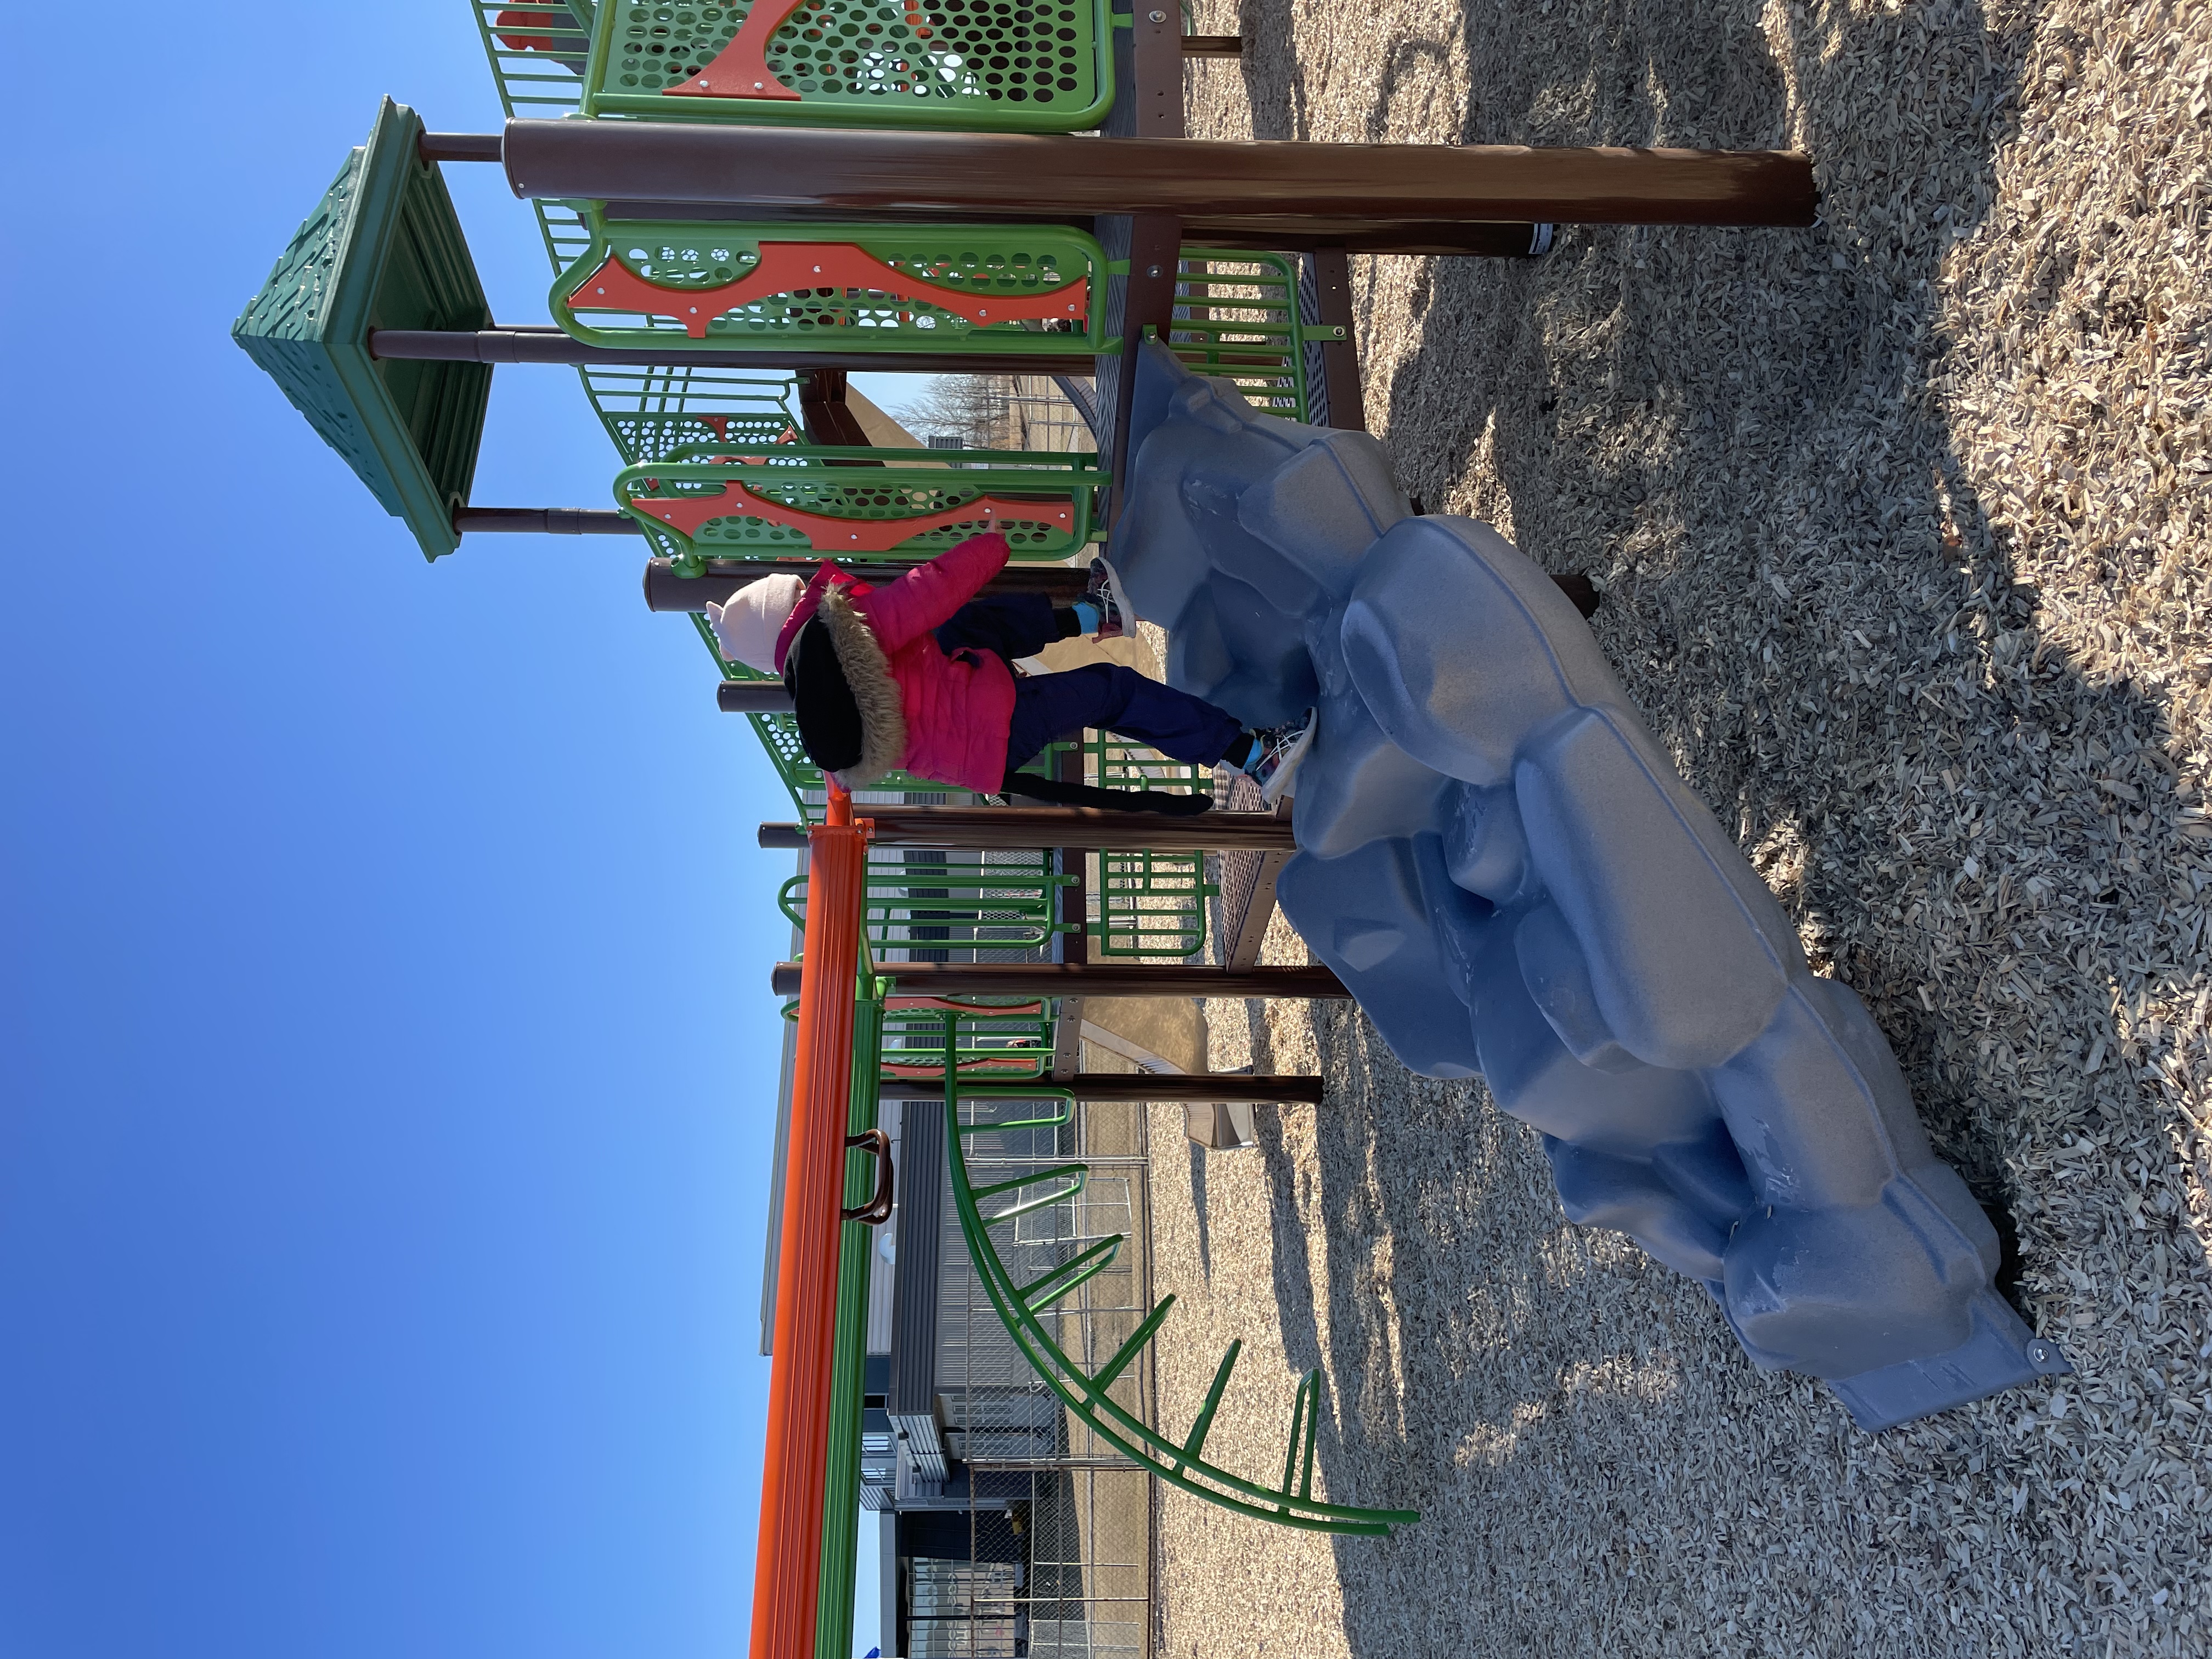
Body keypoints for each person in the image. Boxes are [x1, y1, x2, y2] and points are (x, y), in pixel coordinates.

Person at [704, 527, 1314, 805]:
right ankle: (1254, 756)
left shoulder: (821, 703)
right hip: (992, 716)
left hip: (980, 741)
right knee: (1113, 692)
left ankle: (1096, 615)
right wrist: (991, 544)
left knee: (968, 629)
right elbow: (925, 589)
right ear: (792, 606)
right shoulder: (840, 631)